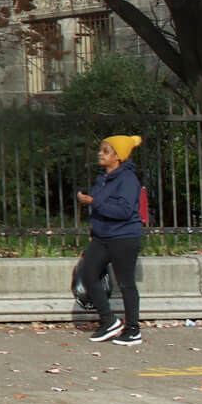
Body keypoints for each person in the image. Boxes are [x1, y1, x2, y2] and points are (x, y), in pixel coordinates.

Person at [76, 134, 144, 346]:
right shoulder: (103, 177)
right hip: (102, 236)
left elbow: (124, 211)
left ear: (119, 156)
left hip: (124, 237)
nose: (100, 154)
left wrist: (94, 202)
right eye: (101, 150)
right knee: (87, 273)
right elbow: (100, 208)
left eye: (106, 151)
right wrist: (94, 229)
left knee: (126, 283)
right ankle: (109, 321)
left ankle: (133, 330)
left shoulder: (128, 179)